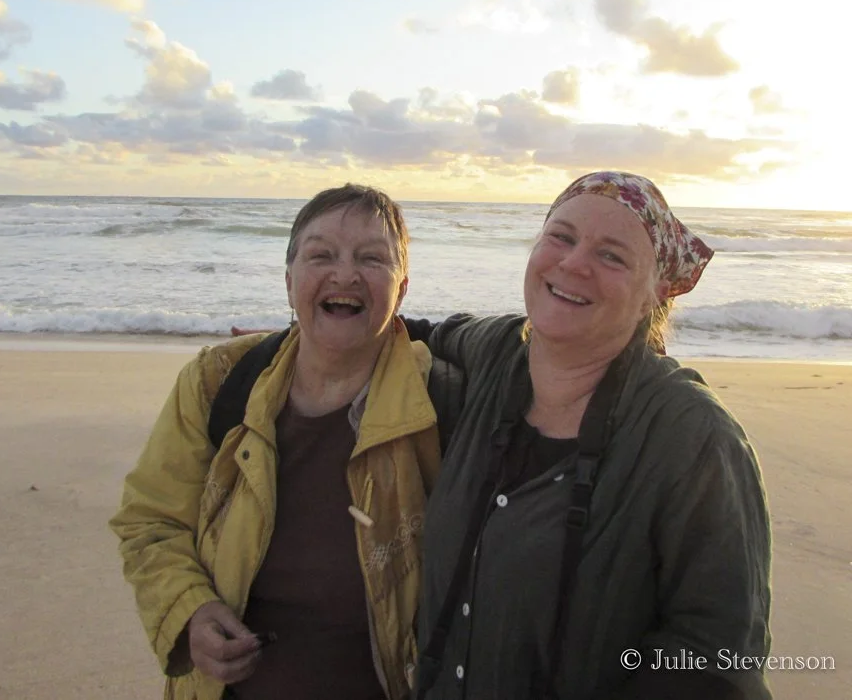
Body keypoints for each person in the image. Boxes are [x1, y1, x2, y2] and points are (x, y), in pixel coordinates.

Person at [407, 171, 772, 700]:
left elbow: (717, 662)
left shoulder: (694, 436)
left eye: (612, 256)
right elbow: (414, 332)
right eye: (561, 236)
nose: (573, 263)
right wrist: (273, 350)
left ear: (653, 296)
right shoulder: (496, 352)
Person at [110, 184, 459, 700]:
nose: (345, 274)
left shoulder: (441, 402)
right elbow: (150, 519)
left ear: (401, 289)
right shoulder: (218, 382)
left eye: (371, 258)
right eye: (322, 255)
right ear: (289, 280)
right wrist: (191, 611)